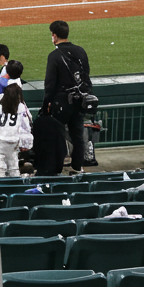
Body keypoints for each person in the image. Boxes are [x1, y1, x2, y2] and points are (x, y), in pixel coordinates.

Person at [42, 20, 92, 174]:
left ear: (54, 35)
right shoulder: (80, 51)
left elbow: (50, 84)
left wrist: (46, 105)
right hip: (79, 101)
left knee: (56, 136)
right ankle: (77, 167)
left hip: (61, 102)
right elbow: (86, 75)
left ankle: (55, 168)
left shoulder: (54, 56)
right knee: (77, 136)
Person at [0, 83, 33, 177]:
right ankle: (14, 187)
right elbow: (26, 127)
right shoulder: (21, 108)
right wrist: (26, 143)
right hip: (13, 141)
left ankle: (0, 188)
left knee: (0, 167)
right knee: (13, 167)